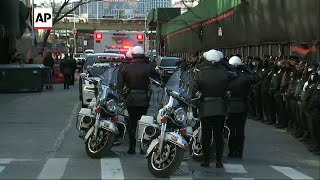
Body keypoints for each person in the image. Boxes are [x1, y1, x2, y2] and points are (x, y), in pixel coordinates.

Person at [192, 49, 238, 168]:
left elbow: (194, 90)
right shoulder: (225, 72)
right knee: (218, 135)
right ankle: (218, 161)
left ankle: (206, 160)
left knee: (206, 135)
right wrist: (225, 63)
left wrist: (198, 98)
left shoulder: (200, 72)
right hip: (220, 106)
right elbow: (235, 74)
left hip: (205, 106)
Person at [118, 46, 155, 154]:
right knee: (143, 122)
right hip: (144, 98)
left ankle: (132, 147)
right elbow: (158, 80)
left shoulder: (126, 68)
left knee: (132, 123)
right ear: (143, 55)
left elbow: (120, 86)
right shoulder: (149, 67)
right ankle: (143, 147)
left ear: (133, 55)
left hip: (131, 98)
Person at [226, 56, 259, 158]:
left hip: (230, 105)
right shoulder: (245, 77)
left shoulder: (227, 76)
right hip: (242, 105)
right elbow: (256, 77)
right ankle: (239, 151)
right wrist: (246, 68)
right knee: (240, 130)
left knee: (231, 130)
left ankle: (231, 151)